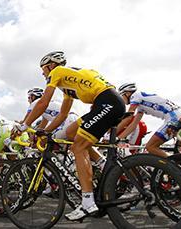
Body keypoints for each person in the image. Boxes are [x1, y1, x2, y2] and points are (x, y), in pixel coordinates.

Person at [13, 51, 125, 221]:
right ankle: (103, 165)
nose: (43, 73)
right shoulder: (68, 86)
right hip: (108, 102)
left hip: (107, 103)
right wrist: (47, 132)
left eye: (43, 69)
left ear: (50, 66)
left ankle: (87, 203)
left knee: (78, 147)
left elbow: (43, 102)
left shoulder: (57, 72)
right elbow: (63, 115)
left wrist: (24, 126)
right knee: (71, 132)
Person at [117, 82, 181, 158]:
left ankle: (174, 166)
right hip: (179, 116)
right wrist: (119, 138)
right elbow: (133, 124)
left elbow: (128, 117)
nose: (121, 100)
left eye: (121, 96)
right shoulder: (141, 103)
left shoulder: (135, 96)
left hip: (173, 119)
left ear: (127, 93)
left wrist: (112, 136)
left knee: (150, 147)